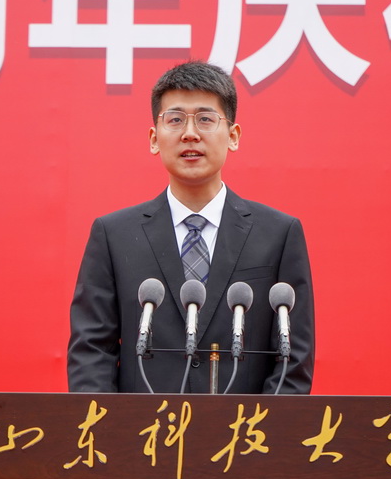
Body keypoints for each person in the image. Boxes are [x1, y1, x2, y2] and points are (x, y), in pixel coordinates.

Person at [67, 60, 314, 394]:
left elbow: (293, 360)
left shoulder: (278, 234)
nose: (190, 133)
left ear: (233, 136)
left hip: (244, 425)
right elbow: (91, 352)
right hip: (143, 426)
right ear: (154, 138)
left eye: (206, 119)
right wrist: (113, 425)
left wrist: (258, 426)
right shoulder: (114, 236)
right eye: (175, 119)